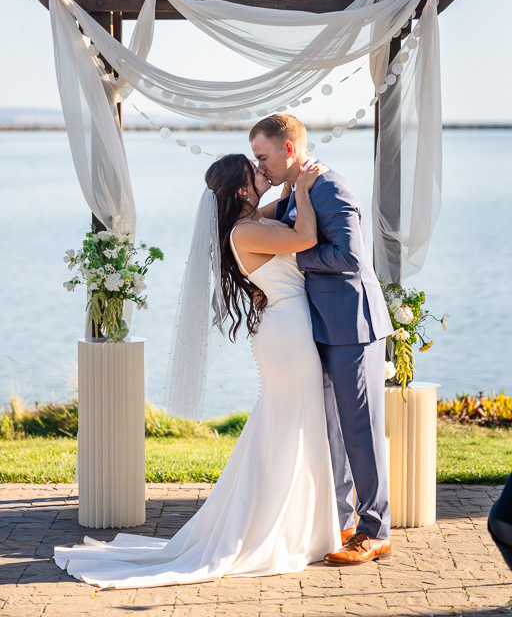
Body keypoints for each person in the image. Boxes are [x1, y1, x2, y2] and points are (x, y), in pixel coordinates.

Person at [54, 153, 351, 589]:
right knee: (293, 425)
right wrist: (304, 190)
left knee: (290, 426)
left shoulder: (252, 221)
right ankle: (284, 529)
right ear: (241, 190)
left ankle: (300, 525)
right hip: (287, 333)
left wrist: (290, 187)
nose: (261, 170)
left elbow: (279, 209)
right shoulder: (246, 231)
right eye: (254, 170)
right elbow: (305, 237)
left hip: (286, 329)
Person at [249, 114, 392, 565]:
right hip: (318, 328)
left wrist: (293, 257)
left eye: (263, 156)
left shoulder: (329, 187)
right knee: (332, 431)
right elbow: (255, 223)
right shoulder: (297, 192)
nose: (260, 165)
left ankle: (376, 531)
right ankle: (344, 522)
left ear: (289, 149)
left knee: (361, 431)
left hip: (352, 327)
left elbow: (350, 257)